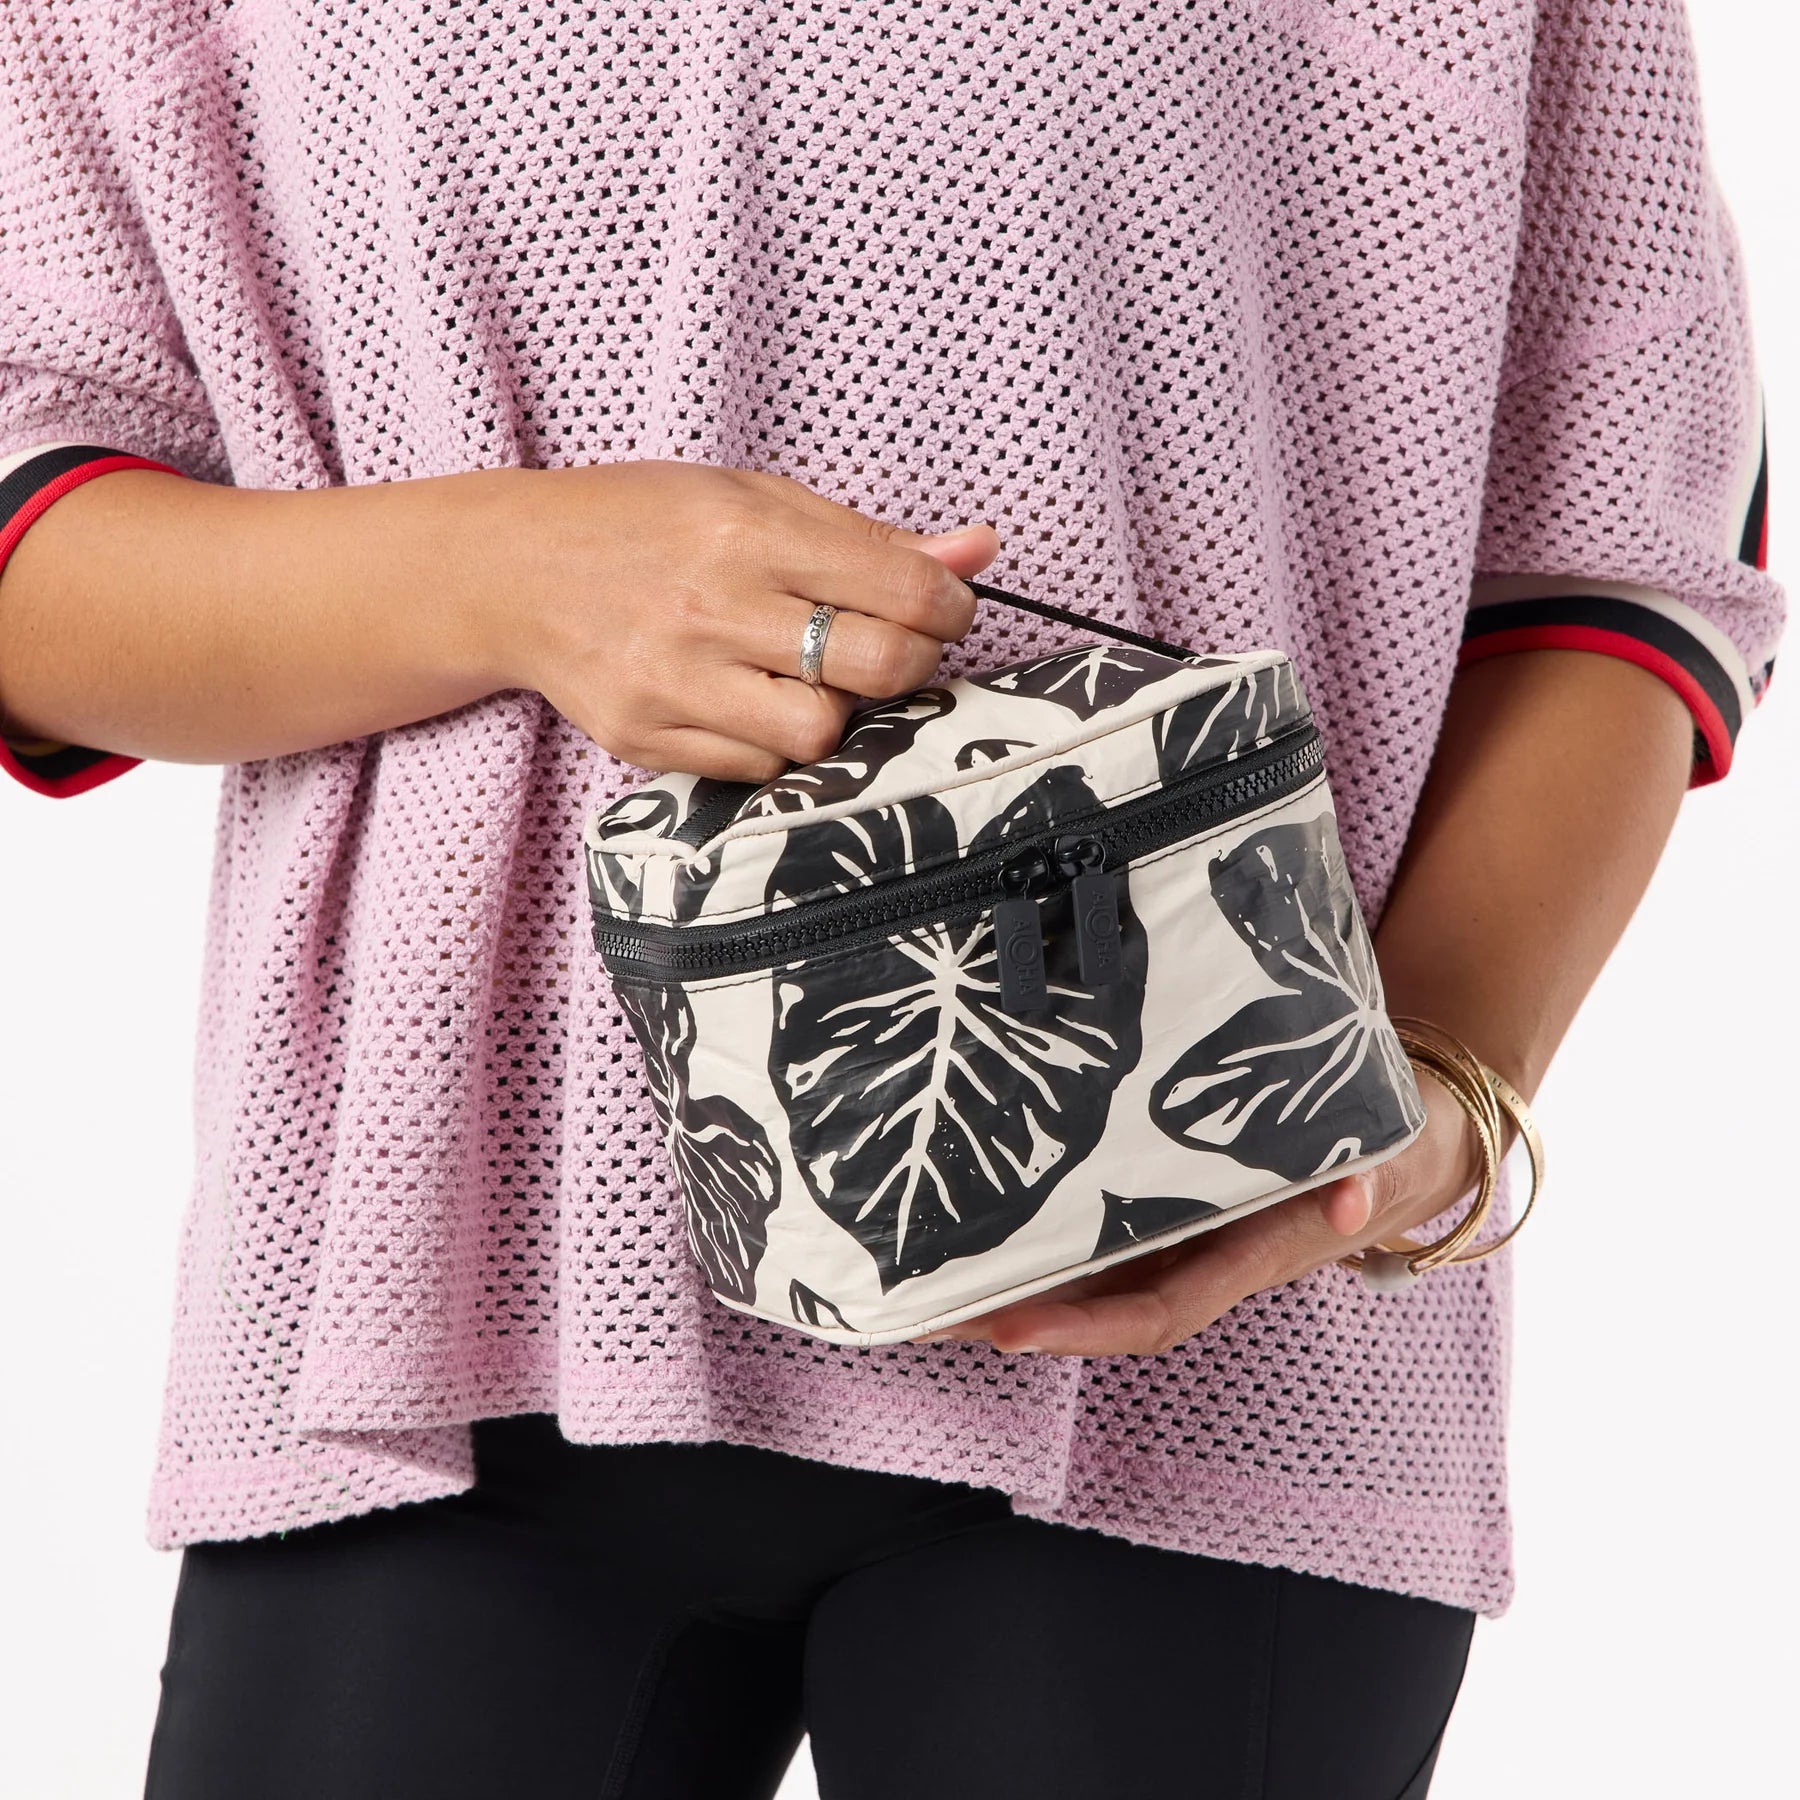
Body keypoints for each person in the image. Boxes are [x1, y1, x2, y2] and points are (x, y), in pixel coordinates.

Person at [0, 0, 1783, 1794]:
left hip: (1212, 1299)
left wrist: (1435, 1099)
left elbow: (1621, 556)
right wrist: (511, 576)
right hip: (432, 1290)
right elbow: (33, 524)